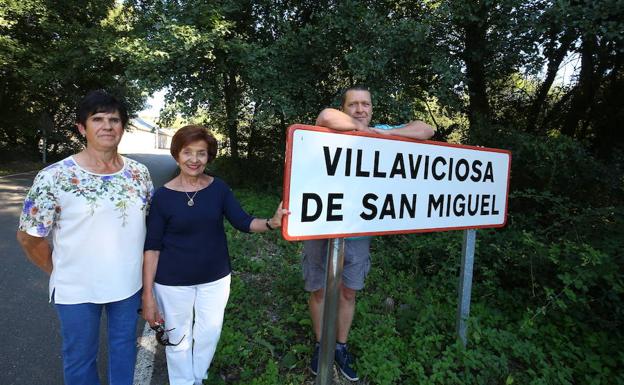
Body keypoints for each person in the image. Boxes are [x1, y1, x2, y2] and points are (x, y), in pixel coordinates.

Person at [16, 90, 153, 385]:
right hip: (76, 290)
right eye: (98, 119)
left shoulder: (139, 174)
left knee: (124, 353)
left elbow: (148, 226)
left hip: (128, 287)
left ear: (123, 127)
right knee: (80, 359)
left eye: (114, 120)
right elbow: (29, 236)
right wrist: (59, 270)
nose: (107, 126)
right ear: (82, 127)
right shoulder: (54, 176)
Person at [305, 85, 435, 381]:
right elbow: (325, 116)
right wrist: (359, 130)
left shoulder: (382, 130)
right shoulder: (334, 125)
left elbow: (425, 129)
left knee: (349, 290)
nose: (360, 109)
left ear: (373, 108)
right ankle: (319, 345)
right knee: (319, 288)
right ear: (345, 107)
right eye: (354, 104)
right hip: (319, 220)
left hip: (359, 226)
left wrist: (385, 134)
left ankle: (339, 347)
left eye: (366, 104)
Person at [141, 125, 288, 385]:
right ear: (176, 154)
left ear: (209, 157)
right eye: (188, 152)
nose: (194, 160)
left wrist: (271, 223)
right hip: (173, 282)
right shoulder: (163, 197)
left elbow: (243, 221)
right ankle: (183, 382)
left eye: (201, 153)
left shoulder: (218, 188)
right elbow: (152, 246)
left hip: (215, 278)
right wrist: (148, 293)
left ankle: (196, 378)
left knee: (209, 333)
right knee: (178, 339)